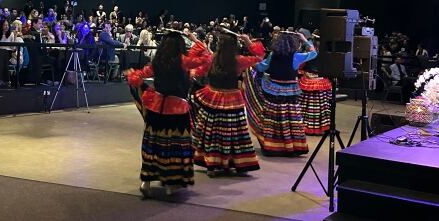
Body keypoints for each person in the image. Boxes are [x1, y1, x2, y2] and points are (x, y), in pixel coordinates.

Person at [183, 32, 264, 176]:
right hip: (232, 100)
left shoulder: (212, 58)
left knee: (211, 132)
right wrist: (248, 42)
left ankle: (212, 164)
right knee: (232, 132)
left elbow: (200, 56)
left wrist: (194, 39)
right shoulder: (238, 60)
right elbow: (259, 58)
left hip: (212, 98)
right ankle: (230, 162)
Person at [125, 32, 194, 197]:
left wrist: (133, 75)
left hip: (157, 110)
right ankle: (171, 184)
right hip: (177, 111)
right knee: (174, 147)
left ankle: (146, 181)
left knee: (153, 145)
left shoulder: (156, 63)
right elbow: (206, 57)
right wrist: (194, 39)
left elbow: (137, 77)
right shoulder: (184, 62)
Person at [243, 31, 317, 156]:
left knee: (274, 119)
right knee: (290, 119)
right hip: (290, 91)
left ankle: (272, 146)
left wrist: (249, 63)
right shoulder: (296, 56)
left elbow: (261, 67)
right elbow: (314, 53)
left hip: (273, 90)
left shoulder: (273, 54)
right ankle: (291, 146)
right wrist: (305, 39)